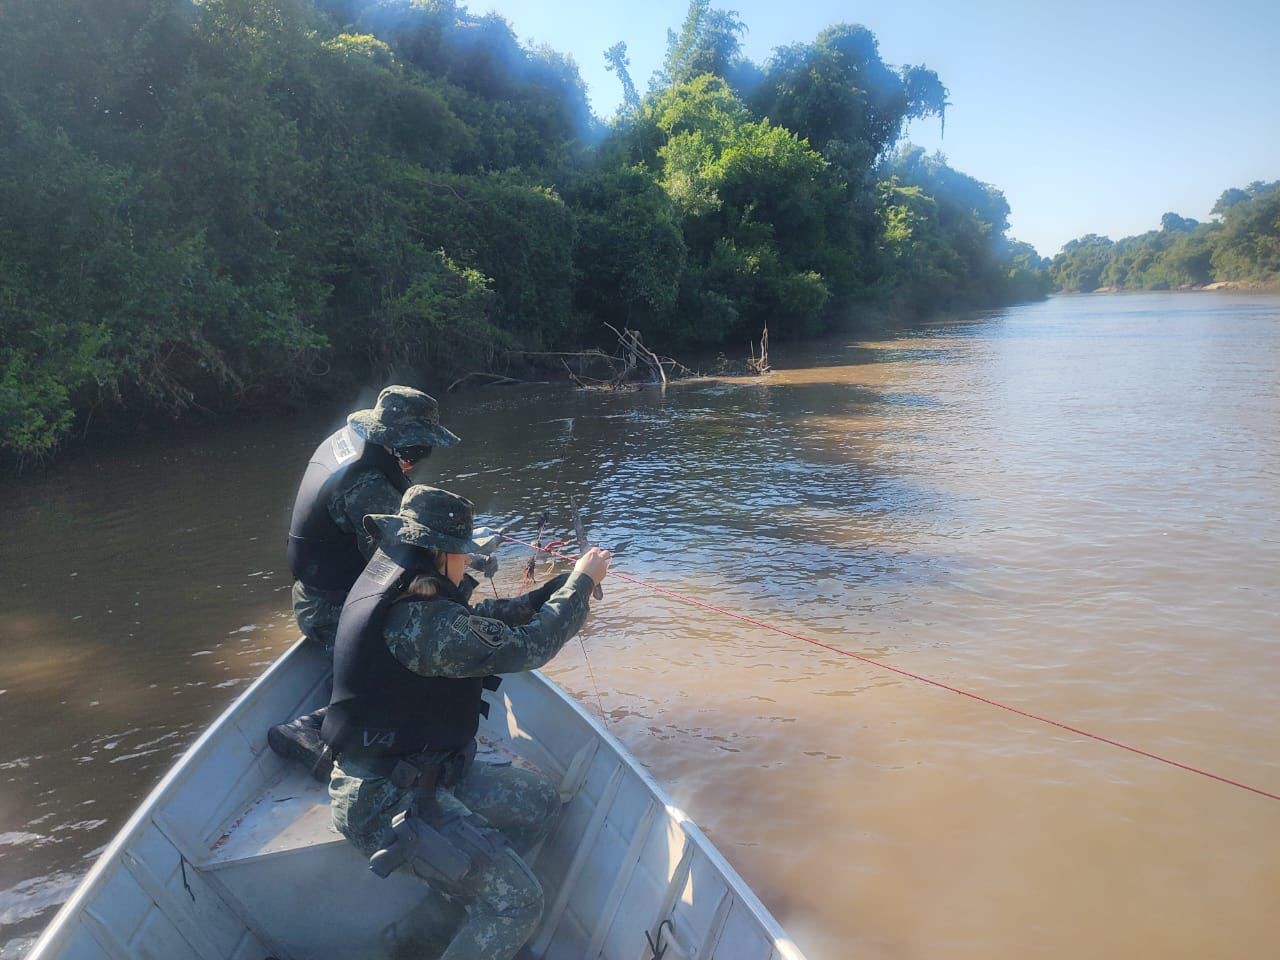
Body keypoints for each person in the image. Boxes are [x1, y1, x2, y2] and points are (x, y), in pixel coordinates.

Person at [322, 485, 610, 960]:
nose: (467, 563)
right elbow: (529, 648)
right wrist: (581, 585)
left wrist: (548, 593)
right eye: (462, 554)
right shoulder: (423, 625)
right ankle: (490, 906)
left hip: (415, 775)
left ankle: (431, 929)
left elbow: (479, 622)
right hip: (385, 802)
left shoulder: (400, 590)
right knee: (519, 904)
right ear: (440, 554)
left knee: (538, 802)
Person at [271, 385, 470, 778]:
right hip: (330, 609)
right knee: (409, 657)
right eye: (416, 451)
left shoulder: (351, 441)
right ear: (399, 444)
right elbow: (401, 561)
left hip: (320, 589)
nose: (416, 460)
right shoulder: (366, 487)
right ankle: (309, 730)